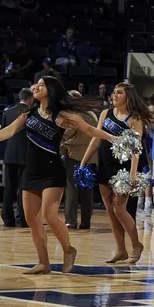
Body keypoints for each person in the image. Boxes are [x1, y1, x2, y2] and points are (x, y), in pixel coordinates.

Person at [0, 76, 116, 274]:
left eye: (41, 85)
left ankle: (68, 250)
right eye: (36, 84)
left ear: (51, 89)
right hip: (31, 171)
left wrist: (113, 137)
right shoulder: (29, 112)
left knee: (49, 215)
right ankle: (43, 262)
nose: (36, 87)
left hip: (52, 170)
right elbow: (10, 130)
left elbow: (90, 130)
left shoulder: (63, 115)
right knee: (31, 218)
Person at [81, 83, 154, 263]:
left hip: (125, 166)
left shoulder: (134, 118)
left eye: (119, 93)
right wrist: (84, 160)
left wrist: (132, 173)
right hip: (105, 163)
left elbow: (136, 148)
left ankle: (136, 244)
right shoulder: (105, 114)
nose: (114, 95)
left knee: (120, 209)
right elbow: (96, 138)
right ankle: (121, 250)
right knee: (110, 210)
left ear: (127, 97)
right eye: (114, 92)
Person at [61, 90, 98, 229]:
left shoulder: (75, 116)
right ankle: (86, 222)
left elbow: (66, 135)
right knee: (87, 191)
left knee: (72, 189)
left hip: (74, 155)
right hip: (91, 156)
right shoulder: (92, 114)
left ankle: (70, 221)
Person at [0, 88, 34, 228]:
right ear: (30, 99)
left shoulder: (7, 113)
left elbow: (3, 134)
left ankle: (7, 218)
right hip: (26, 156)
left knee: (9, 189)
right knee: (23, 189)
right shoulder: (31, 113)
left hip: (10, 156)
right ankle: (22, 218)